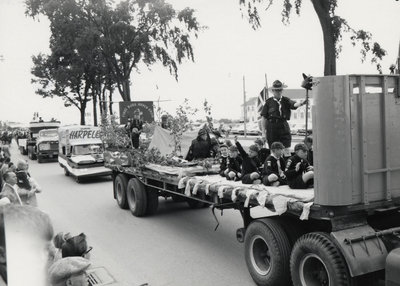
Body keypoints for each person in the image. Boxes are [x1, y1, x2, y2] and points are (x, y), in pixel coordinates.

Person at [261, 80, 307, 155]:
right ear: (273, 91)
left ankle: (286, 164)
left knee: (286, 149)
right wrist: (263, 132)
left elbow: (294, 104)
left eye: (280, 90)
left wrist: (301, 103)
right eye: (276, 90)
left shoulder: (286, 100)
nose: (278, 92)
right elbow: (264, 118)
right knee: (274, 150)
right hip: (272, 127)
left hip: (283, 126)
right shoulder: (268, 102)